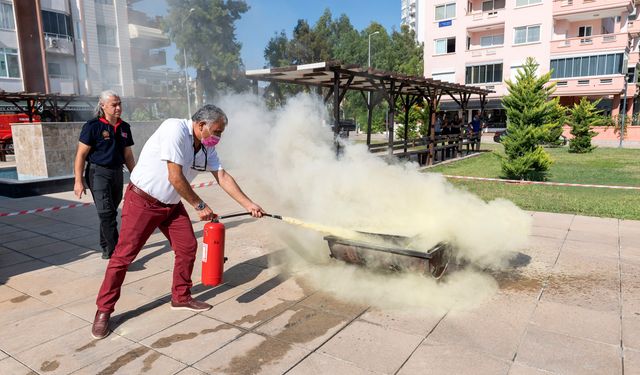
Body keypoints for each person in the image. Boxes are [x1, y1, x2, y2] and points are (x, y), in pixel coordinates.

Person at [91, 104, 265, 340]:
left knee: (187, 247)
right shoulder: (174, 129)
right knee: (123, 257)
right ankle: (104, 310)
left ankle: (180, 296)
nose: (218, 137)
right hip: (143, 201)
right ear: (201, 125)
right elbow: (175, 176)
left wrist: (249, 204)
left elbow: (222, 176)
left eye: (221, 132)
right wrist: (200, 205)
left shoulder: (205, 147)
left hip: (170, 205)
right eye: (217, 131)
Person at [74, 91, 135, 260]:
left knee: (110, 211)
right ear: (102, 106)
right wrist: (78, 181)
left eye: (119, 104)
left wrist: (136, 177)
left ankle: (106, 248)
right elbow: (80, 155)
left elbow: (128, 155)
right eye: (114, 105)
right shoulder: (92, 126)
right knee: (106, 213)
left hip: (117, 173)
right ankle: (117, 254)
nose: (118, 108)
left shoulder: (124, 127)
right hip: (97, 173)